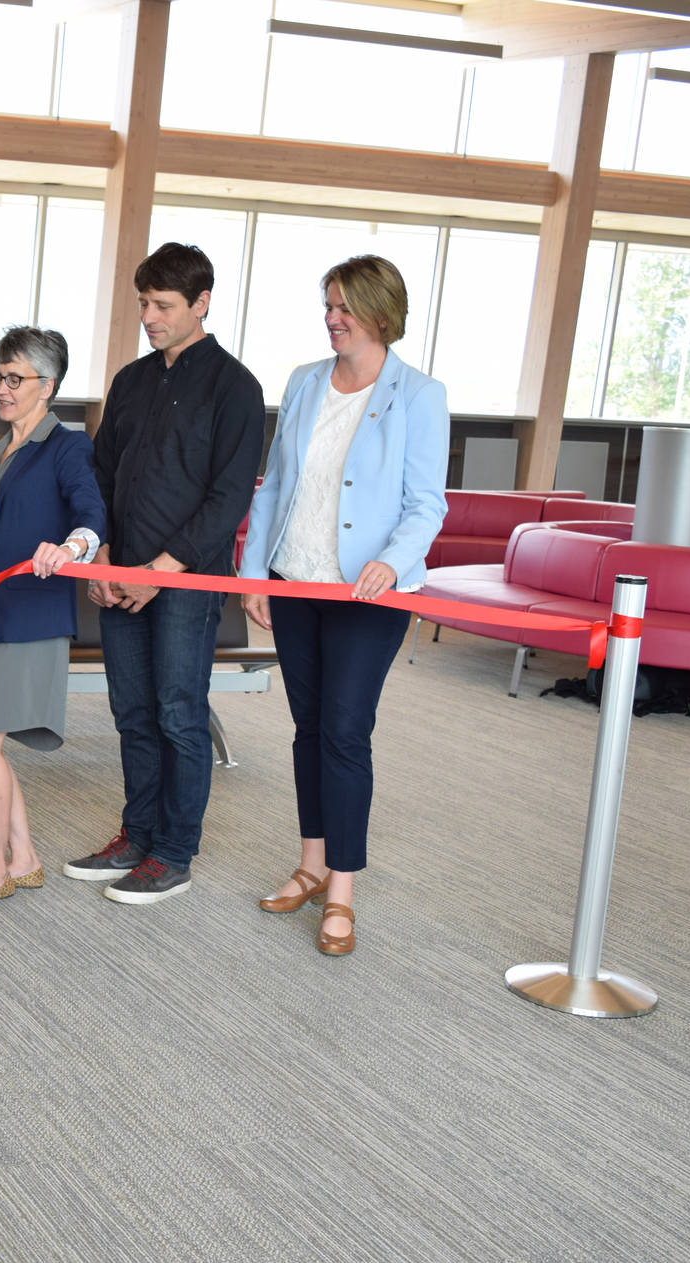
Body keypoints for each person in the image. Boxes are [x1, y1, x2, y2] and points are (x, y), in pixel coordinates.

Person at [239, 256, 449, 956]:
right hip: (296, 578)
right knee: (308, 728)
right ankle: (309, 863)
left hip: (369, 590)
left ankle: (342, 889)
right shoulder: (305, 380)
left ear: (381, 314)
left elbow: (427, 503)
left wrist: (395, 560)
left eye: (346, 307)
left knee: (345, 731)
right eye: (328, 305)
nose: (333, 318)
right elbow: (274, 484)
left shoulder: (419, 395)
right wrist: (254, 573)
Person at [70, 242, 264, 905]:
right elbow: (100, 475)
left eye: (163, 305)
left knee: (179, 714)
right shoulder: (130, 380)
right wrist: (99, 554)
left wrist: (160, 570)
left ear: (201, 303)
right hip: (118, 573)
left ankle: (173, 852)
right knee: (132, 713)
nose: (149, 317)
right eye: (143, 303)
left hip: (187, 582)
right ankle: (137, 834)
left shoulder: (236, 387)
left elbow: (229, 497)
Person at [0, 327, 105, 907]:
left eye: (15, 378)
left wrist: (71, 548)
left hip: (30, 618)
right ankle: (25, 857)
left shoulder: (68, 447)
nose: (2, 388)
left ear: (47, 385)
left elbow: (92, 515)